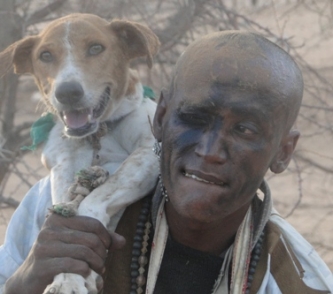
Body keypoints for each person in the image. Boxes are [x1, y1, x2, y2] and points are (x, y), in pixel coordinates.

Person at [1, 31, 333, 294]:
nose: (210, 150)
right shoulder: (59, 208)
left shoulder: (295, 281)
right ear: (159, 118)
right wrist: (27, 280)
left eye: (244, 129)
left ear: (283, 151)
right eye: (193, 118)